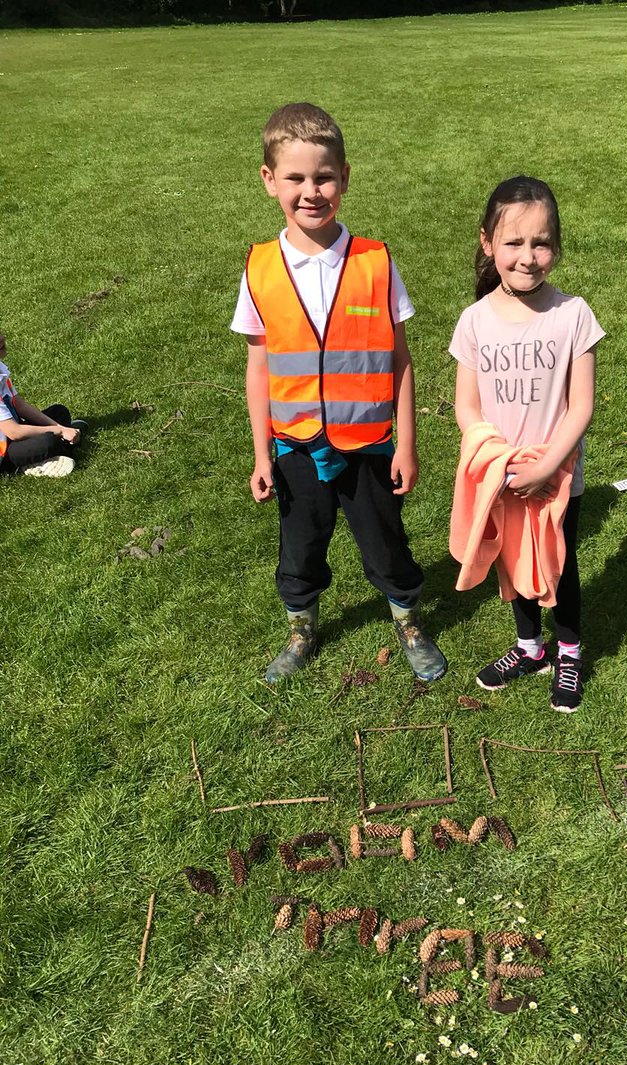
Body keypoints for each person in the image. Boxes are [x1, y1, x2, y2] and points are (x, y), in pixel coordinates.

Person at [231, 103, 446, 685]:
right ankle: (302, 625)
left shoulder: (375, 261)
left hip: (369, 442)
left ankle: (407, 619)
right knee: (300, 544)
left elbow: (401, 360)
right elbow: (258, 367)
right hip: (295, 445)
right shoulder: (260, 268)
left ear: (345, 177)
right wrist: (261, 454)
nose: (311, 191)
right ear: (269, 180)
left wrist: (406, 444)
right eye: (295, 178)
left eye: (323, 177)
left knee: (384, 541)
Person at [449, 177, 605, 713]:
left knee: (559, 564)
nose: (528, 257)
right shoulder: (474, 321)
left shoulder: (573, 315)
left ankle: (567, 651)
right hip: (501, 474)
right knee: (513, 562)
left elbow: (581, 405)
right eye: (513, 243)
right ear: (488, 243)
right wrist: (495, 457)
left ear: (556, 247)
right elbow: (466, 407)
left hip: (557, 474)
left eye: (540, 243)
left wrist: (547, 465)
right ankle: (528, 647)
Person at [0, 333, 85, 477]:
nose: (2, 338)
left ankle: (53, 451)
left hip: (12, 433)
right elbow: (15, 432)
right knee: (48, 440)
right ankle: (17, 467)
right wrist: (60, 432)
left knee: (59, 412)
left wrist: (60, 427)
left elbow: (20, 406)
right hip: (5, 451)